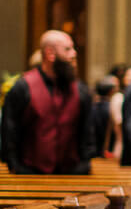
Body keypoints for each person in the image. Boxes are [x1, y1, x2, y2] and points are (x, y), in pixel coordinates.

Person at [0, 29, 95, 174]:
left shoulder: (80, 90)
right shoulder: (22, 87)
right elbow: (10, 131)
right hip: (29, 173)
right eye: (67, 49)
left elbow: (87, 132)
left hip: (72, 173)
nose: (74, 53)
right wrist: (15, 166)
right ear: (50, 54)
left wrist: (84, 164)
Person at [90, 75, 119, 158]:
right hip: (108, 152)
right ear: (111, 91)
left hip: (94, 150)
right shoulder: (111, 108)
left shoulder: (93, 107)